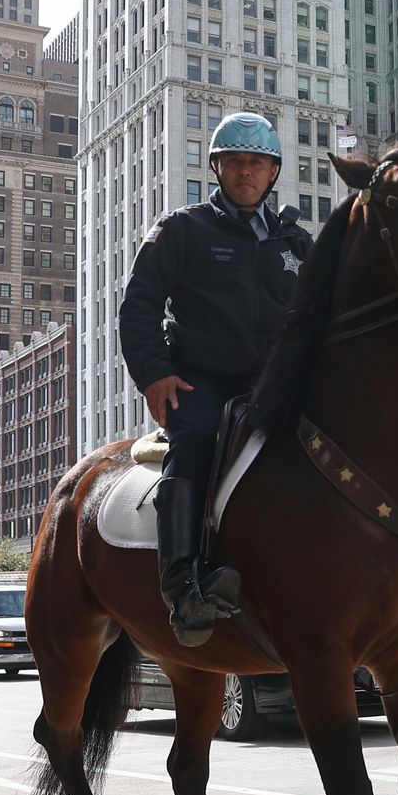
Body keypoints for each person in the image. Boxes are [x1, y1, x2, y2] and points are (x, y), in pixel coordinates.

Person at [118, 112, 314, 646]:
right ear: (217, 168)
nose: (245, 172)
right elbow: (138, 307)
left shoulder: (296, 242)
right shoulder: (182, 229)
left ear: (273, 172)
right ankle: (182, 586)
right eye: (234, 162)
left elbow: (323, 318)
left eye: (256, 163)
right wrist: (155, 375)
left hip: (276, 386)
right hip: (202, 382)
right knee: (199, 440)